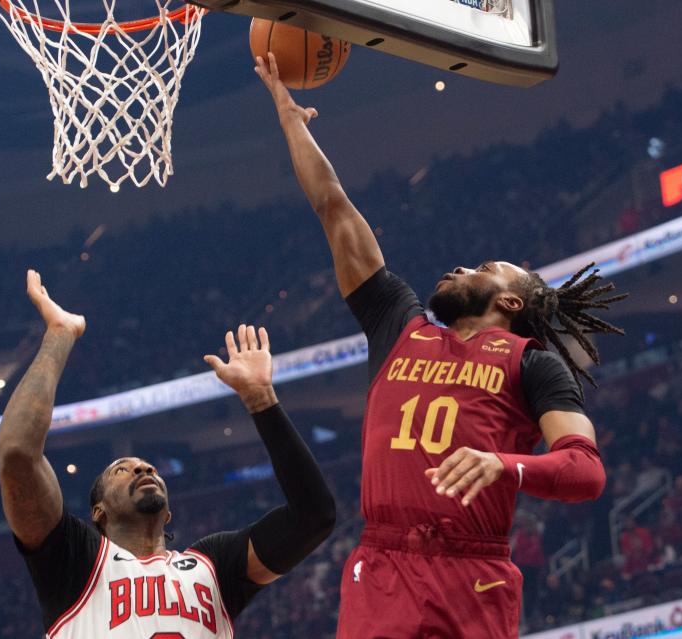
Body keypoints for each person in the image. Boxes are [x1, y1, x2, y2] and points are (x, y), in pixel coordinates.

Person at [255, 52, 626, 638]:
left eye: (483, 268)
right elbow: (334, 209)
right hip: (383, 564)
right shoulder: (399, 324)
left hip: (472, 569)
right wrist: (292, 122)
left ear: (510, 302)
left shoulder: (535, 365)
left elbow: (586, 472)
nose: (460, 268)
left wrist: (504, 464)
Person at [0, 270, 335, 638]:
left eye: (149, 468)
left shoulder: (214, 565)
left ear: (169, 513)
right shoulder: (75, 561)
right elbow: (17, 452)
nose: (143, 467)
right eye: (122, 469)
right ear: (98, 512)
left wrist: (261, 400)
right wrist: (59, 335)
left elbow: (315, 517)